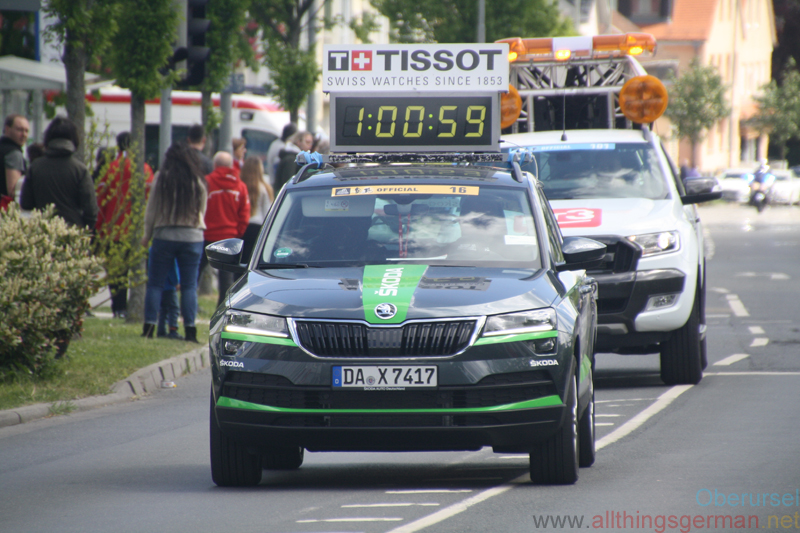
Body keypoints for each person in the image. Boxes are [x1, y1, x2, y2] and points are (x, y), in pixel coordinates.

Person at [141, 142, 207, 341]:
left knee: (155, 284)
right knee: (188, 286)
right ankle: (190, 329)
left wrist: (147, 234)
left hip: (164, 235)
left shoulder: (162, 177)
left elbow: (151, 208)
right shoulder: (197, 179)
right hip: (192, 237)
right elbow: (203, 206)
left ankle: (149, 327)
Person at [95, 131, 155, 319]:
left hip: (113, 230)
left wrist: (99, 229)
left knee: (116, 274)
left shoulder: (110, 168)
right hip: (138, 231)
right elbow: (150, 200)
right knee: (138, 272)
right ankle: (137, 307)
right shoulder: (144, 170)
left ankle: (118, 309)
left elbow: (100, 201)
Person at [20, 116, 97, 229]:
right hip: (72, 233)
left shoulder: (35, 167)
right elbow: (91, 210)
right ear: (74, 139)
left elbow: (26, 203)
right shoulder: (80, 170)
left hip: (42, 233)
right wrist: (85, 228)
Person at [199, 151, 250, 307]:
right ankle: (223, 309)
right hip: (229, 238)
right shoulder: (240, 186)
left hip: (207, 235)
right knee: (226, 278)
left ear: (215, 165)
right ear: (230, 165)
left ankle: (188, 307)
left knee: (194, 274)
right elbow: (245, 214)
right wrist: (238, 232)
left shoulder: (206, 183)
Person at [239, 156, 274, 262]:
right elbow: (267, 212)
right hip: (258, 228)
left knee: (241, 261)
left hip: (242, 227)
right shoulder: (265, 188)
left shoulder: (240, 186)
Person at [1, 114, 29, 210]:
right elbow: (14, 190)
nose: (24, 134)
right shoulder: (13, 154)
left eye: (26, 131)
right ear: (7, 129)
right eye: (20, 130)